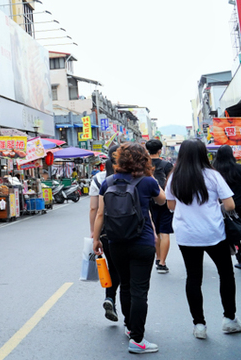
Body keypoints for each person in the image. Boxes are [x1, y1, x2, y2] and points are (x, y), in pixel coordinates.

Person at [166, 139, 241, 338]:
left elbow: (171, 206)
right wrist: (213, 209)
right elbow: (229, 205)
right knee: (226, 274)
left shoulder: (174, 177)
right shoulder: (212, 176)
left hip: (187, 235)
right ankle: (229, 319)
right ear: (203, 154)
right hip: (213, 233)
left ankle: (199, 325)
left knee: (193, 278)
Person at [92, 143, 165, 354]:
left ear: (120, 159)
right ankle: (138, 339)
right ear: (144, 159)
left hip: (115, 242)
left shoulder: (108, 182)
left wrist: (96, 240)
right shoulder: (148, 181)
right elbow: (162, 201)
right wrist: (150, 177)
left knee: (124, 285)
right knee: (140, 290)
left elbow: (100, 214)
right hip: (142, 242)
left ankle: (129, 327)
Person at [90, 145, 120, 323]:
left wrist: (94, 234)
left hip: (106, 231)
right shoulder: (135, 175)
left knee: (113, 267)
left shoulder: (99, 178)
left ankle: (110, 298)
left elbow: (94, 208)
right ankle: (131, 321)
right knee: (127, 272)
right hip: (131, 229)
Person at [212, 145, 241, 268]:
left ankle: (240, 258)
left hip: (224, 206)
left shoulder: (214, 170)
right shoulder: (240, 168)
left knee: (233, 230)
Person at [145, 139, 174, 274]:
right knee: (165, 232)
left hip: (148, 200)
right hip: (165, 200)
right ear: (160, 150)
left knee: (154, 230)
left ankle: (157, 257)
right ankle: (162, 263)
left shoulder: (143, 165)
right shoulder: (167, 165)